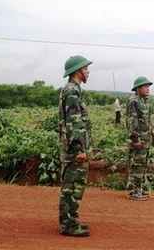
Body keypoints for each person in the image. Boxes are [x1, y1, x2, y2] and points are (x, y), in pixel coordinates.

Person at [58, 55, 93, 237]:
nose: (88, 71)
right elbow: (74, 122)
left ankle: (71, 219)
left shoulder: (74, 90)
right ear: (78, 71)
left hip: (74, 147)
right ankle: (69, 225)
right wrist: (79, 149)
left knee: (74, 185)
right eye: (86, 68)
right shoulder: (72, 91)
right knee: (72, 186)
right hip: (74, 149)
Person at [125, 76, 154, 201]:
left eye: (148, 86)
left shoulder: (145, 101)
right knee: (136, 166)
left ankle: (139, 189)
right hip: (138, 140)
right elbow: (132, 121)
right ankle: (133, 191)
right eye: (145, 86)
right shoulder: (134, 101)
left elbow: (146, 121)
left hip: (146, 140)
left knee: (143, 166)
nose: (148, 89)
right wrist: (136, 138)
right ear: (138, 88)